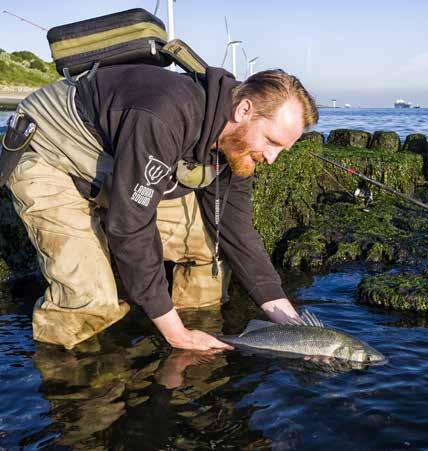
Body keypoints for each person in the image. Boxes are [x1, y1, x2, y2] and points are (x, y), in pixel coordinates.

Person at [5, 64, 318, 350]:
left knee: (208, 250)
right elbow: (130, 226)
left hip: (120, 171)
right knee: (90, 300)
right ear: (244, 109)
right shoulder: (165, 111)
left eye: (283, 150)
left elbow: (237, 232)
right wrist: (176, 334)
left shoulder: (236, 146)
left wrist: (293, 327)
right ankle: (73, 384)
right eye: (272, 142)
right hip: (52, 158)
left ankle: (196, 347)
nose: (272, 158)